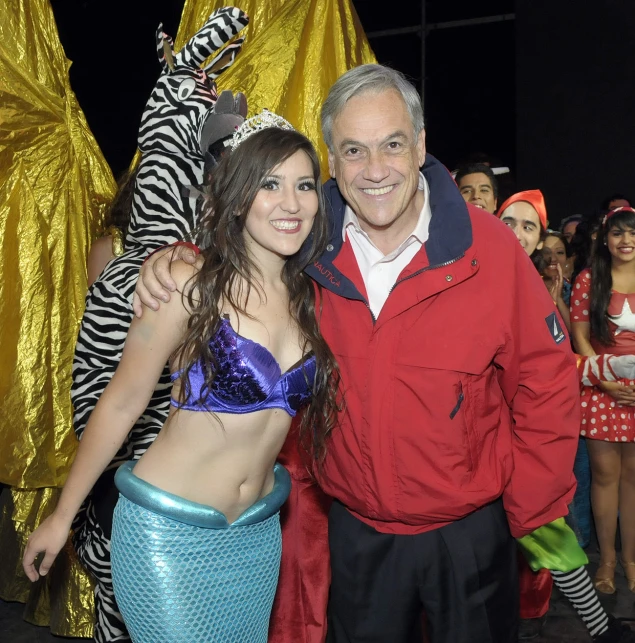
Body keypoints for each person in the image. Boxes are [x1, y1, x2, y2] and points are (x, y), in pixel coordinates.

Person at [135, 64, 580, 643]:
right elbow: (242, 246)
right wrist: (178, 258)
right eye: (352, 150)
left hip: (468, 534)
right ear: (332, 160)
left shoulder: (487, 248)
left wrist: (532, 507)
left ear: (420, 146)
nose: (374, 171)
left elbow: (545, 382)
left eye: (392, 144)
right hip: (357, 535)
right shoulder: (308, 241)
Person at [22, 118, 340, 643]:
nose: (291, 202)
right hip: (165, 537)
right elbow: (122, 403)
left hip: (257, 537)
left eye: (304, 185)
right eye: (270, 184)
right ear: (238, 196)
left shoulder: (310, 299)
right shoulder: (187, 285)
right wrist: (62, 517)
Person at [500, 200, 635, 642]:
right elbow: (571, 345)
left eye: (528, 226)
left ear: (539, 239)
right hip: (482, 436)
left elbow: (552, 361)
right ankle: (604, 575)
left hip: (535, 428)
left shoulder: (538, 291)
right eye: (509, 223)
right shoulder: (584, 282)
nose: (517, 234)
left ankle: (609, 601)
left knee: (548, 525)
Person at [571, 206, 635, 596]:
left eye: (632, 233)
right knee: (605, 479)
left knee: (632, 481)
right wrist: (606, 379)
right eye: (617, 234)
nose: (626, 241)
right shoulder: (588, 279)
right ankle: (607, 560)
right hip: (601, 390)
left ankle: (631, 559)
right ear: (605, 240)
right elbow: (579, 336)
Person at [541, 231, 572, 331]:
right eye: (546, 252)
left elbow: (574, 333)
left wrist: (558, 299)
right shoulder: (525, 286)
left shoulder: (573, 290)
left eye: (559, 252)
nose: (553, 258)